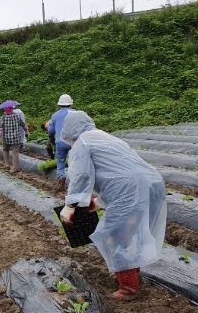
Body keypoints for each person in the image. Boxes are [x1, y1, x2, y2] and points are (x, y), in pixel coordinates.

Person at [58, 111, 167, 301]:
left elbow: (81, 176)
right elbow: (117, 172)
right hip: (152, 183)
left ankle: (128, 288)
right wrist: (98, 202)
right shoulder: (105, 137)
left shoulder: (82, 143)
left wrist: (70, 205)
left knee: (116, 234)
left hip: (129, 189)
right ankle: (131, 272)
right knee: (133, 232)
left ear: (69, 130)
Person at [46, 94, 75, 189]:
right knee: (74, 161)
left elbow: (50, 131)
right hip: (72, 141)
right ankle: (75, 182)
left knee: (60, 162)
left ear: (59, 104)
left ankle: (61, 182)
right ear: (70, 104)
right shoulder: (75, 113)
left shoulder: (55, 115)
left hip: (60, 141)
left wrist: (51, 136)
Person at [0, 102, 27, 172]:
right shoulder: (17, 116)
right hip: (16, 138)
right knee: (15, 153)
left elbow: (0, 129)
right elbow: (23, 125)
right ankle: (15, 168)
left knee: (5, 150)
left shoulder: (3, 117)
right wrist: (26, 130)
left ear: (5, 109)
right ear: (12, 108)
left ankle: (7, 164)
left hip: (6, 139)